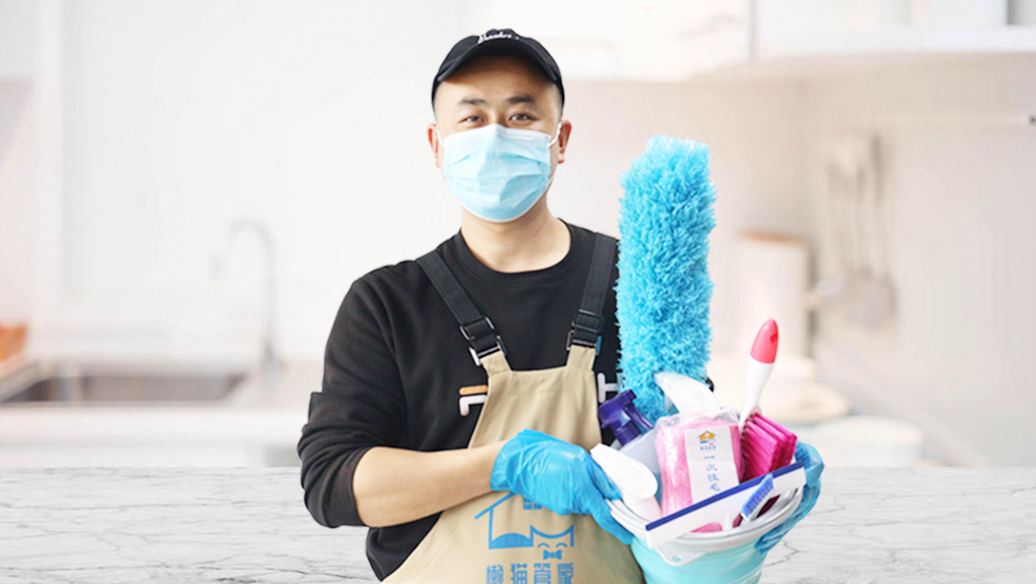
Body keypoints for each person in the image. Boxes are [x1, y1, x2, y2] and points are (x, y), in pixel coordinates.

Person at [297, 29, 645, 583]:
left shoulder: (635, 284)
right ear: (437, 145)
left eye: (521, 116)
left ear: (560, 139)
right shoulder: (387, 306)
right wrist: (504, 465)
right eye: (472, 118)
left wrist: (740, 514)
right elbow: (333, 484)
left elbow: (695, 450)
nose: (495, 136)